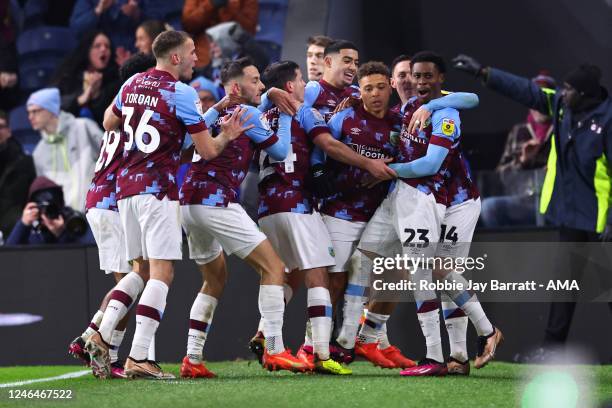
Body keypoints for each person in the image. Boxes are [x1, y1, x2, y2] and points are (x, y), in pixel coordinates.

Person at [85, 30, 248, 380]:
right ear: (175, 57)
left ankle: (99, 331)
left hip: (125, 189)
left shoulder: (131, 84)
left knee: (138, 270)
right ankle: (139, 356)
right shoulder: (181, 91)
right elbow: (207, 151)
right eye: (191, 53)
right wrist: (228, 135)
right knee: (162, 273)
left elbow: (109, 121)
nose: (196, 58)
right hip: (158, 190)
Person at [452, 55, 612, 362]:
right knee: (564, 288)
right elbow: (526, 91)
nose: (563, 94)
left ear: (587, 95)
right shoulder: (564, 106)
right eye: (563, 89)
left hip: (601, 218)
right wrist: (484, 72)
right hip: (571, 215)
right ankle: (551, 352)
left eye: (570, 90)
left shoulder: (608, 120)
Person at [357, 51, 501, 377]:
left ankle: (471, 343)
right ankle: (461, 355)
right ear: (394, 83)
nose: (415, 81)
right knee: (439, 272)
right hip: (437, 200)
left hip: (460, 202)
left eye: (421, 76)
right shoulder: (403, 111)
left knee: (441, 272)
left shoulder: (445, 109)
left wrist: (389, 170)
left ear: (438, 79)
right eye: (408, 76)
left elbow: (471, 100)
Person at [179, 56, 310, 376]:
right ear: (237, 86)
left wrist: (262, 98)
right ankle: (276, 349)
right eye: (254, 80)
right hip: (216, 202)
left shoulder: (209, 113)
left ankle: (192, 359)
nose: (261, 85)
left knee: (214, 278)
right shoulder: (249, 112)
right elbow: (280, 153)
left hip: (188, 204)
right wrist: (288, 115)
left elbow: (184, 143)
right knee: (275, 267)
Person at [67, 52, 157, 379]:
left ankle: (103, 347)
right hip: (112, 203)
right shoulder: (138, 118)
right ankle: (96, 338)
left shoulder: (121, 114)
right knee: (136, 279)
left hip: (100, 201)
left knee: (132, 282)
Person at [480, 72, 556, 227]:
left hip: (555, 203)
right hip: (525, 202)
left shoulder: (562, 129)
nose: (538, 105)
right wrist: (522, 161)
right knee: (489, 207)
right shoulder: (519, 132)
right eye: (534, 99)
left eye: (543, 99)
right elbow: (501, 177)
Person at [27, 87, 103, 212]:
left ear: (51, 110)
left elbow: (113, 159)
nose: (30, 117)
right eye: (29, 112)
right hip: (67, 223)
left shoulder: (84, 127)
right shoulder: (38, 152)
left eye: (35, 111)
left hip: (98, 211)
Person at [51, 31, 121, 127]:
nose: (103, 49)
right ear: (87, 50)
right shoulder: (69, 75)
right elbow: (53, 106)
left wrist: (96, 96)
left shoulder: (115, 80)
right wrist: (79, 100)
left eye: (107, 46)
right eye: (97, 46)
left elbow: (110, 121)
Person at [6, 176, 94, 245]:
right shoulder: (31, 232)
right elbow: (10, 258)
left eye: (52, 207)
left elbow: (86, 255)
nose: (48, 212)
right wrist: (23, 224)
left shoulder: (73, 222)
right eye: (43, 208)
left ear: (60, 206)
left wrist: (62, 234)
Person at [181, 0, 258, 69]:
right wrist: (210, 4)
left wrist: (229, 7)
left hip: (237, 58)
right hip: (204, 58)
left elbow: (249, 30)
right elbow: (188, 26)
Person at [0, 110, 36, 239]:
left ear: (9, 131)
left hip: (15, 231)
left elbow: (32, 198)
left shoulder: (25, 162)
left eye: (0, 127)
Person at [70, 0, 142, 53]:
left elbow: (152, 27)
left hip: (131, 55)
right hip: (99, 56)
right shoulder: (89, 2)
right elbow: (77, 30)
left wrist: (137, 14)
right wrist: (98, 10)